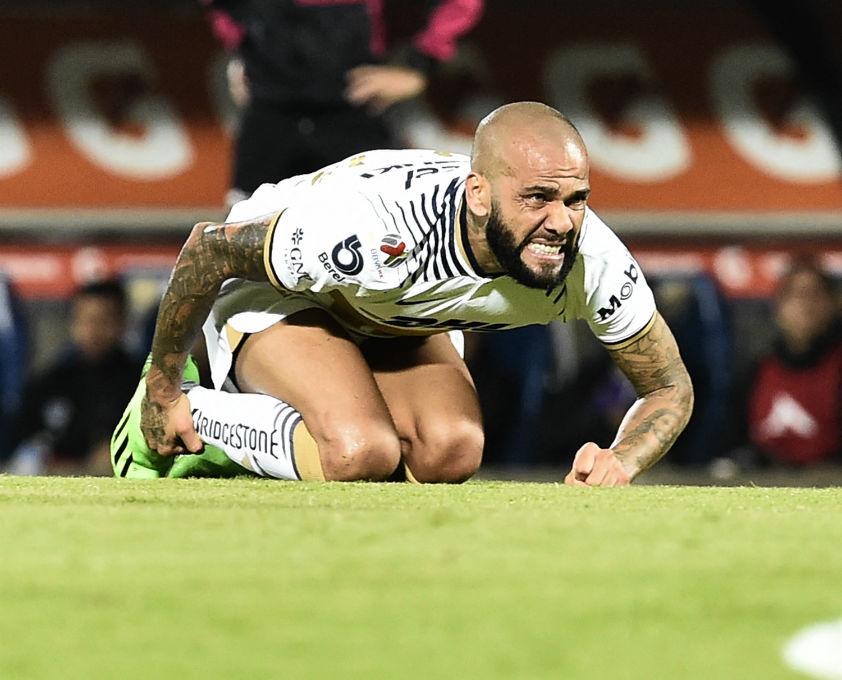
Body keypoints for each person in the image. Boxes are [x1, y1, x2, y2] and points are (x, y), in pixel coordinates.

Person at [110, 101, 694, 486]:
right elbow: (208, 249)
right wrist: (164, 387)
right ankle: (192, 416)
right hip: (289, 295)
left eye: (576, 199)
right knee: (358, 451)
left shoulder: (591, 260)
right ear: (479, 195)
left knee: (451, 449)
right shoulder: (374, 229)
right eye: (537, 199)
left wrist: (622, 460)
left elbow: (669, 387)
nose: (561, 223)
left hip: (395, 314)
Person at [203, 0, 485, 206]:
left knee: (378, 247)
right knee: (242, 252)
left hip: (352, 118)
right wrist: (241, 49)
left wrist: (420, 65)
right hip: (268, 124)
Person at [8, 279, 141, 476]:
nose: (93, 330)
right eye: (85, 320)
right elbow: (20, 444)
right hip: (53, 481)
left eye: (103, 320)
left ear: (122, 322)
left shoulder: (141, 383)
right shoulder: (50, 382)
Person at [731, 257, 842, 467]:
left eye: (815, 295)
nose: (805, 306)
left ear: (833, 305)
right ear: (779, 308)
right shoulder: (756, 372)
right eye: (795, 295)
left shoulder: (837, 369)